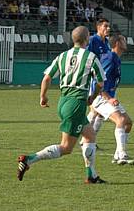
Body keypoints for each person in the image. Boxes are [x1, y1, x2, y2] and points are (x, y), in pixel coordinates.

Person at [17, 26, 107, 184]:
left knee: (90, 135)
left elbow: (46, 78)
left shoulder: (62, 56)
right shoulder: (91, 57)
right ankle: (29, 159)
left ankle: (91, 175)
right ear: (87, 39)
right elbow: (100, 82)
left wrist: (43, 97)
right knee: (66, 147)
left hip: (63, 101)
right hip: (77, 104)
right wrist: (92, 97)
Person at [91, 34, 134, 165]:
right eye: (123, 39)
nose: (126, 41)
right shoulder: (110, 57)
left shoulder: (116, 58)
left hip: (108, 97)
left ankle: (118, 153)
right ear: (117, 43)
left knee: (128, 123)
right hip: (101, 97)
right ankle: (122, 154)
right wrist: (108, 98)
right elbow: (98, 81)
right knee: (121, 120)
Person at [85, 18, 111, 135]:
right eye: (105, 26)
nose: (108, 28)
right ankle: (87, 138)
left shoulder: (107, 42)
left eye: (108, 26)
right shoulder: (93, 40)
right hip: (94, 78)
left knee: (99, 112)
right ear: (98, 27)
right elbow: (86, 57)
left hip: (105, 78)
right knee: (95, 109)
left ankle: (90, 138)